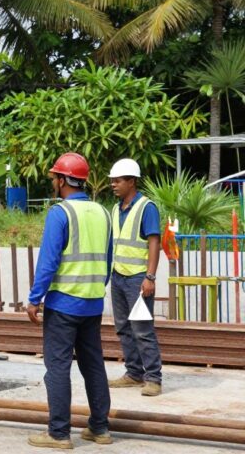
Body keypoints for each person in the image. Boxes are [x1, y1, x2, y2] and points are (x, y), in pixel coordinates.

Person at [26, 152, 113, 449]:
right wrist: (94, 290)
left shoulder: (60, 213)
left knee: (58, 367)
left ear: (62, 181)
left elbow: (48, 262)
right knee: (93, 365)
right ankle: (100, 429)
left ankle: (59, 433)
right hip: (93, 303)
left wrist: (34, 299)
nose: (53, 182)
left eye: (54, 177)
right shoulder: (103, 213)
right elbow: (107, 259)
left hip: (63, 305)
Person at [107, 158, 163, 397]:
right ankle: (133, 373)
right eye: (112, 181)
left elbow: (154, 243)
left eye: (118, 181)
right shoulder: (115, 209)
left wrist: (150, 276)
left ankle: (153, 378)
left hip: (138, 278)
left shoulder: (146, 208)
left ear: (132, 181)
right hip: (118, 276)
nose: (113, 185)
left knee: (142, 329)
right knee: (123, 327)